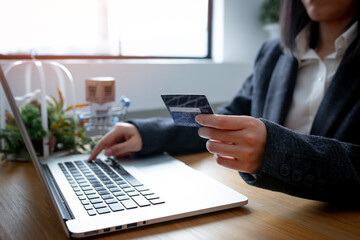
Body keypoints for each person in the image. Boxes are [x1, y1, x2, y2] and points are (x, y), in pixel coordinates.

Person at [89, 0, 360, 201]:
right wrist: (147, 133)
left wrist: (276, 150)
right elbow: (228, 118)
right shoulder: (273, 54)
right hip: (269, 208)